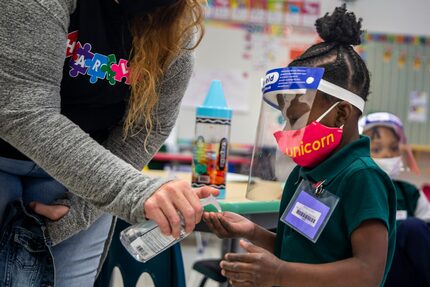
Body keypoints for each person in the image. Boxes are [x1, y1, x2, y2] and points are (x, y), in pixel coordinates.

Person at [0, 0, 217, 286]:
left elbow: (147, 127)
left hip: (83, 172)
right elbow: (23, 111)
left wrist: (81, 211)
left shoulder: (174, 22)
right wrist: (133, 190)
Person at [203, 5, 396, 287]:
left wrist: (279, 274)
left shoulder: (361, 178)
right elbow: (298, 251)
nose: (286, 130)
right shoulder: (304, 173)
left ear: (342, 113)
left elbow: (368, 272)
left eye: (295, 118)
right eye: (285, 119)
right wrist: (253, 232)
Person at [360, 112, 430, 287]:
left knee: (411, 227)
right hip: (367, 274)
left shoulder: (411, 193)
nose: (387, 155)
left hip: (407, 276)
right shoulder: (352, 190)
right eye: (376, 149)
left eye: (393, 148)